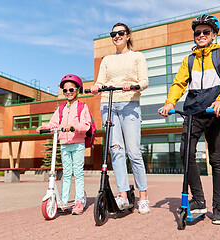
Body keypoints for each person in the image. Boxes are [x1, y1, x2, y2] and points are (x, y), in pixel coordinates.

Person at [158, 14, 220, 225]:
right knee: (186, 153)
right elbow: (178, 84)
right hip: (193, 112)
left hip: (215, 111)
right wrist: (170, 102)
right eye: (197, 33)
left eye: (206, 32)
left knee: (217, 160)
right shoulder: (189, 59)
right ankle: (199, 199)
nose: (201, 35)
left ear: (214, 34)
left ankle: (218, 208)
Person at [90, 22, 150, 214]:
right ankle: (123, 195)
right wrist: (95, 87)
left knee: (133, 152)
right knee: (116, 151)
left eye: (120, 33)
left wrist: (132, 85)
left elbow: (144, 82)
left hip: (129, 105)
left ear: (128, 35)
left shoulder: (137, 57)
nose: (117, 36)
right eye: (113, 34)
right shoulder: (107, 59)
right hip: (108, 105)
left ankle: (143, 197)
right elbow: (100, 82)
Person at [36, 74, 92, 215]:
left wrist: (73, 126)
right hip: (64, 144)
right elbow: (54, 123)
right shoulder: (61, 109)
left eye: (71, 90)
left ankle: (79, 201)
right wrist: (45, 127)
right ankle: (63, 199)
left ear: (78, 90)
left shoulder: (82, 107)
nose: (68, 93)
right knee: (66, 174)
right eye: (65, 90)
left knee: (77, 172)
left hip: (77, 143)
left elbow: (86, 125)